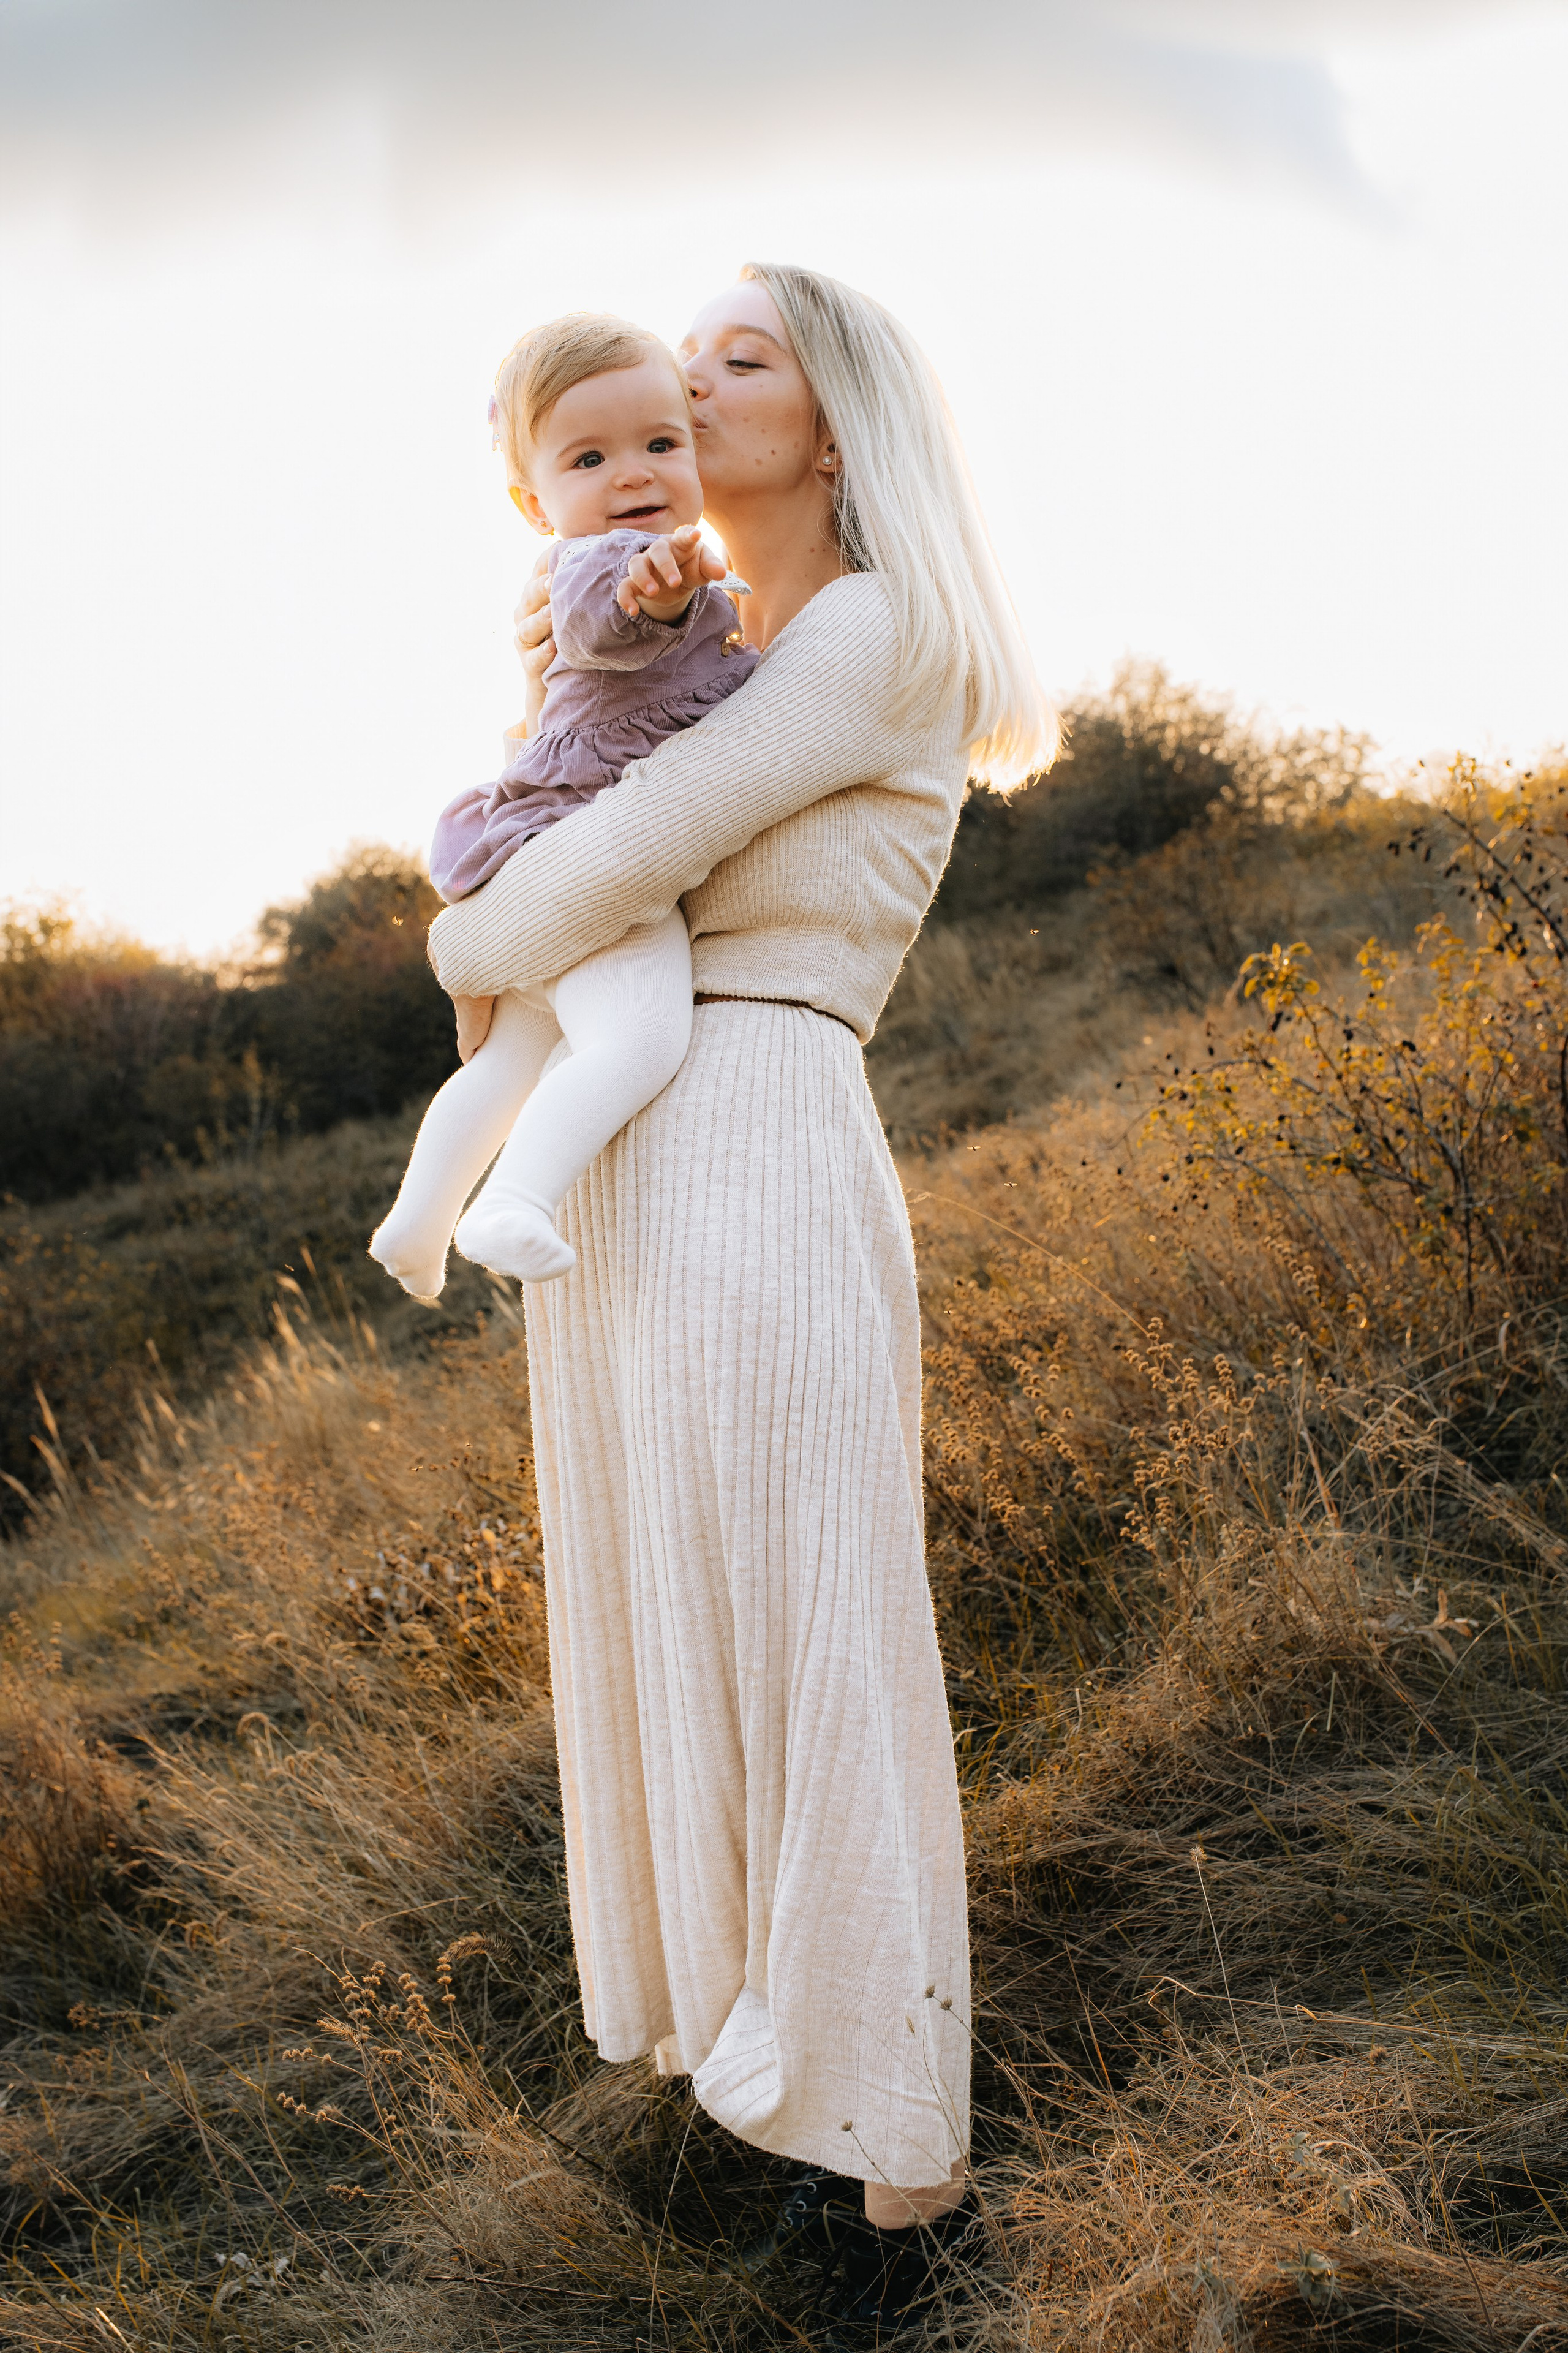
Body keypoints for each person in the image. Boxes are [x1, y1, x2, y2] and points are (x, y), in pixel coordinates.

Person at [428, 263, 1056, 2343]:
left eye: (738, 362)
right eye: (677, 367)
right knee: (685, 1617)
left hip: (765, 1124)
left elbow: (559, 899)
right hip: (643, 1165)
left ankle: (916, 2180)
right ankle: (789, 2098)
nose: (686, 391)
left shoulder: (874, 628)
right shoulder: (735, 646)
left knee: (815, 1628)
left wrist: (481, 927)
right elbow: (574, 856)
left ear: (837, 412)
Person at [369, 313, 756, 1302]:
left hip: (537, 833)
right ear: (534, 503)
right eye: (589, 458)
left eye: (661, 445)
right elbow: (607, 619)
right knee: (636, 1040)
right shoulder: (597, 568)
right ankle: (516, 1201)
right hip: (583, 839)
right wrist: (664, 594)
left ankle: (418, 1223)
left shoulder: (676, 564)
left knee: (515, 1055)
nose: (633, 476)